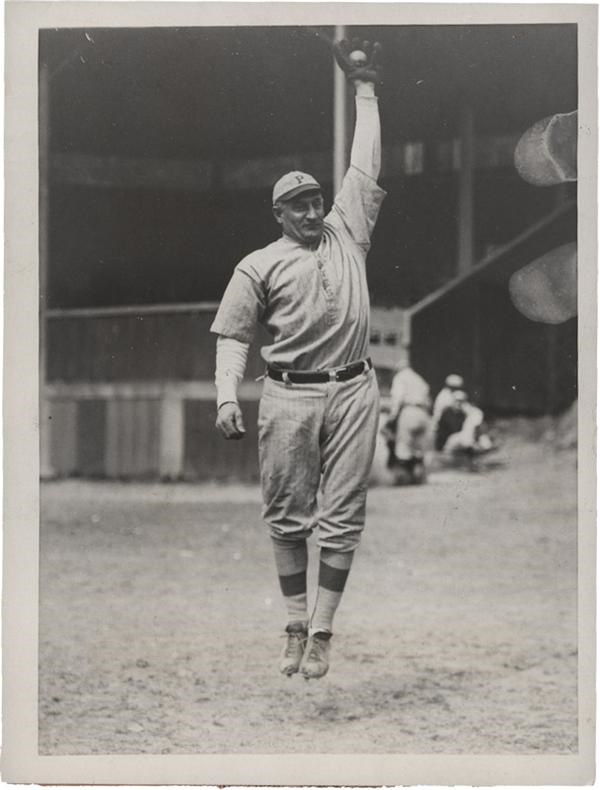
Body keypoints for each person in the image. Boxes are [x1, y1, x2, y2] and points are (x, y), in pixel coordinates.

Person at [210, 38, 385, 680]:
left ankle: (323, 631)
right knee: (287, 515)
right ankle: (292, 624)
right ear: (279, 213)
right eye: (300, 205)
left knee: (344, 515)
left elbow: (363, 165)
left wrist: (366, 90)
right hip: (288, 393)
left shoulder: (348, 230)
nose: (314, 211)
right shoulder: (257, 264)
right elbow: (233, 336)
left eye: (317, 200)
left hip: (354, 389)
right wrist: (228, 394)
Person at [383, 355, 431, 484]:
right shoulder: (419, 379)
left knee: (403, 446)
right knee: (418, 448)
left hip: (409, 410)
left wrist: (392, 417)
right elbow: (428, 398)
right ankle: (419, 476)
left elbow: (397, 398)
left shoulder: (400, 377)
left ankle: (403, 478)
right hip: (423, 413)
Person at [435, 388, 494, 456]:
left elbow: (476, 421)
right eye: (457, 401)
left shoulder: (463, 413)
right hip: (445, 442)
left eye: (461, 401)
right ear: (453, 401)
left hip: (459, 440)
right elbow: (453, 430)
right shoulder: (447, 413)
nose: (459, 403)